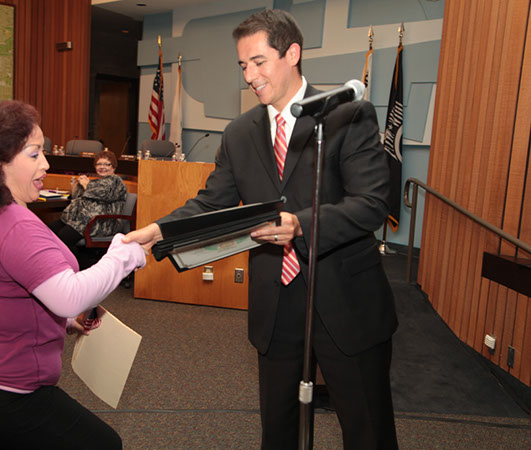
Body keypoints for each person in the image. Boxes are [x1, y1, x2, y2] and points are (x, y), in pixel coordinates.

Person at [124, 9, 398, 450]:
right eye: (243, 66)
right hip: (276, 300)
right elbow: (211, 202)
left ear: (292, 54)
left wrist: (300, 225)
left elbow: (370, 205)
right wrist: (158, 230)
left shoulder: (348, 115)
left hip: (345, 297)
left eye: (258, 61)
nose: (249, 75)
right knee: (278, 426)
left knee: (367, 429)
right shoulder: (239, 133)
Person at [0, 100, 145, 449]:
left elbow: (4, 294)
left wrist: (62, 324)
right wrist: (124, 255)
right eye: (33, 154)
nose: (45, 163)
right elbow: (69, 297)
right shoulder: (15, 225)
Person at [49, 150, 127, 259]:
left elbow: (103, 195)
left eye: (106, 164)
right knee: (49, 231)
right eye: (99, 164)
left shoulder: (116, 182)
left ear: (113, 167)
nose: (102, 167)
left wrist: (86, 184)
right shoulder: (96, 182)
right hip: (83, 220)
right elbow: (76, 196)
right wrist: (78, 184)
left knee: (63, 237)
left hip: (102, 222)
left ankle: (76, 266)